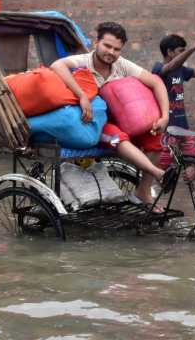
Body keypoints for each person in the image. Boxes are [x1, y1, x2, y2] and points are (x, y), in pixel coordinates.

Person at [50, 21, 172, 209]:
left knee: (155, 138)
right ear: (96, 42)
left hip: (122, 119)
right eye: (107, 46)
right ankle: (158, 173)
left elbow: (156, 82)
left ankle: (143, 191)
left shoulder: (121, 65)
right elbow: (57, 65)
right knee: (117, 137)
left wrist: (164, 117)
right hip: (95, 124)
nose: (111, 52)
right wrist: (81, 95)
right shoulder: (84, 61)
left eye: (117, 49)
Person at [152, 33, 195, 182]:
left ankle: (188, 181)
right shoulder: (159, 68)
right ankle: (151, 191)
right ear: (169, 52)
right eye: (181, 51)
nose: (183, 54)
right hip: (167, 128)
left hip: (183, 127)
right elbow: (170, 66)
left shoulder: (181, 70)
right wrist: (194, 48)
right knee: (161, 164)